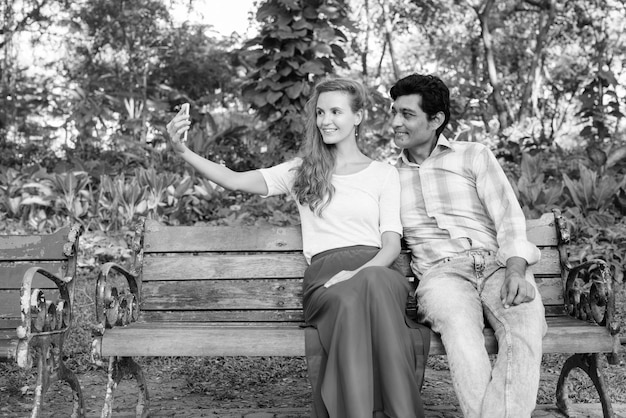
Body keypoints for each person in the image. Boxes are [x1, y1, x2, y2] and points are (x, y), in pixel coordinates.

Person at [166, 77, 429, 418]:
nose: (325, 120)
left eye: (336, 111)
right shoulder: (301, 170)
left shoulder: (383, 174)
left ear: (358, 116)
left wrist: (358, 272)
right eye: (320, 112)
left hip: (377, 269)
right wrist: (183, 151)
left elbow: (391, 245)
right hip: (326, 280)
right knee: (356, 295)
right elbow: (233, 179)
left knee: (373, 283)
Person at [389, 73, 547, 418]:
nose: (396, 123)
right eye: (395, 112)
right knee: (461, 333)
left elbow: (508, 215)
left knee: (525, 325)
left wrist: (517, 269)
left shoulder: (474, 155)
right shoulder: (386, 176)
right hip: (440, 275)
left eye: (407, 114)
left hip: (497, 265)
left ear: (436, 120)